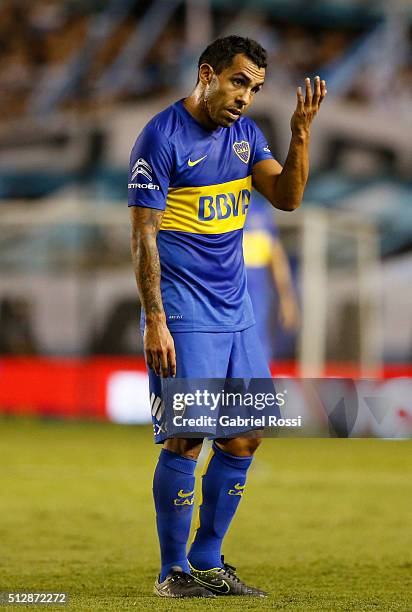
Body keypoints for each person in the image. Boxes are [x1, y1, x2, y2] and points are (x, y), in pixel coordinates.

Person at [128, 35, 326, 598]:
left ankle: (208, 559)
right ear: (207, 73)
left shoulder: (246, 135)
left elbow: (286, 198)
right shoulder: (161, 137)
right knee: (188, 436)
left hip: (238, 312)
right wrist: (155, 320)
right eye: (238, 82)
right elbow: (143, 236)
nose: (245, 97)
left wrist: (300, 133)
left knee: (244, 439)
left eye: (255, 88)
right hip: (186, 311)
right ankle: (173, 573)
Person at [243, 190, 299, 363]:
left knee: (258, 350)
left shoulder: (261, 210)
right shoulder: (218, 204)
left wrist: (287, 298)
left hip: (258, 297)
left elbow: (276, 257)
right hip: (225, 294)